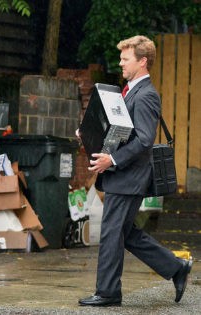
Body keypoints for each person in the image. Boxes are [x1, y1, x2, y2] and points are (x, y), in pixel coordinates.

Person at [77, 35, 192, 307]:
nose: (120, 63)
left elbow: (143, 140)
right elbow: (120, 131)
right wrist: (90, 134)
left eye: (125, 59)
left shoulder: (146, 95)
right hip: (123, 175)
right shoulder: (129, 91)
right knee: (126, 234)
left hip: (129, 177)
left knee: (111, 232)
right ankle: (176, 268)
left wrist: (112, 161)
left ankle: (107, 292)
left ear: (142, 61)